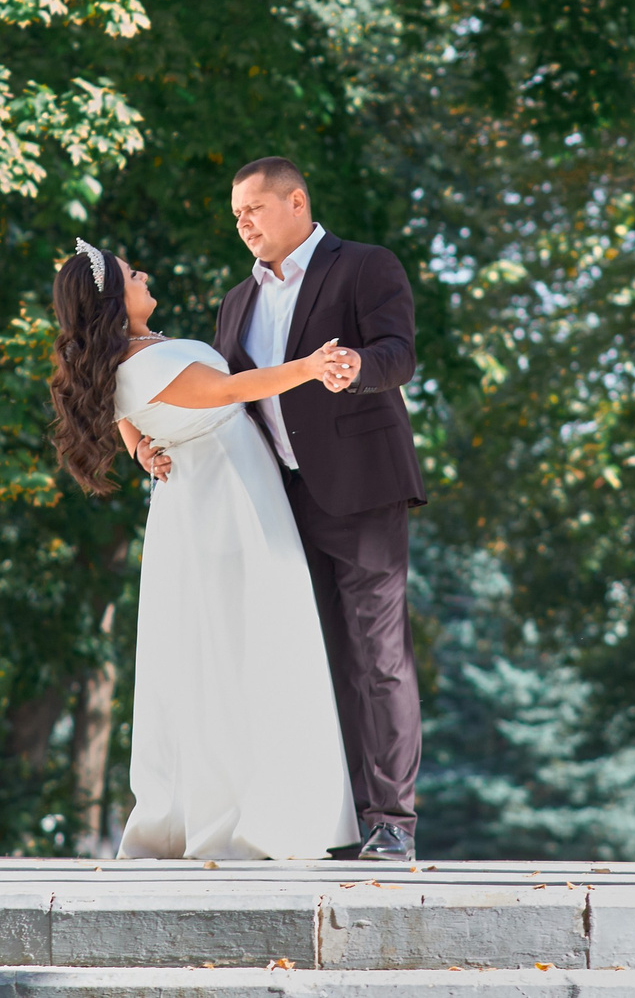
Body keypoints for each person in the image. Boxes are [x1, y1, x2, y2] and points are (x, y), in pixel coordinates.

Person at [135, 157, 425, 862]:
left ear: (297, 200)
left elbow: (399, 352)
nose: (244, 225)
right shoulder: (236, 301)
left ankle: (390, 821)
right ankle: (323, 823)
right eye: (236, 216)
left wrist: (355, 366)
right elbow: (217, 394)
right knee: (308, 661)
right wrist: (143, 438)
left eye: (254, 210)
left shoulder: (363, 265)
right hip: (277, 503)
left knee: (376, 657)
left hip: (363, 492)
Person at [48, 239, 358, 860]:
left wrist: (140, 448)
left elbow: (122, 412)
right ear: (115, 298)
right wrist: (311, 366)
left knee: (230, 645)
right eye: (134, 273)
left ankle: (251, 802)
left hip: (212, 492)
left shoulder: (126, 357)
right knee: (246, 644)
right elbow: (229, 390)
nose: (145, 274)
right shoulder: (142, 362)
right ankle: (248, 815)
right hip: (225, 505)